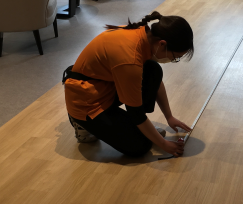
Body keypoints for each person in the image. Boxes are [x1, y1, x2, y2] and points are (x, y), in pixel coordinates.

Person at [64, 11, 194, 157]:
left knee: (153, 69)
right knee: (141, 146)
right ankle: (81, 124)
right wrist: (163, 144)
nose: (173, 60)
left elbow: (156, 83)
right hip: (86, 102)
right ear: (162, 44)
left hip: (104, 85)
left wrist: (169, 117)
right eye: (176, 57)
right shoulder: (130, 59)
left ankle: (139, 128)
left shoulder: (142, 35)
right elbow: (135, 112)